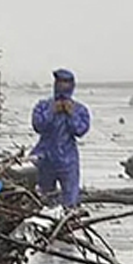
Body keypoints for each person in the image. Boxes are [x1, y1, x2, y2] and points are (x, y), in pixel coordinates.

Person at [32, 69, 91, 207]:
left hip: (68, 160)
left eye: (65, 82)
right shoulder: (43, 106)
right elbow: (38, 126)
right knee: (44, 199)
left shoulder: (80, 109)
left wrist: (71, 114)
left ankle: (67, 222)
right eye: (59, 82)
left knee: (70, 199)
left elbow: (80, 130)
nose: (61, 85)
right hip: (45, 157)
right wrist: (52, 112)